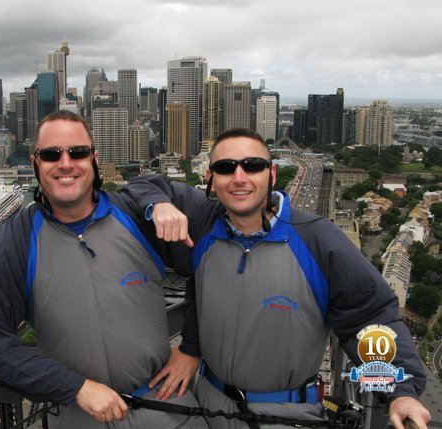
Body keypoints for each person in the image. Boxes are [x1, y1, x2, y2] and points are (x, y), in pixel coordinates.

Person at [123, 128, 431, 428]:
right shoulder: (204, 222)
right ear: (211, 179)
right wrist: (160, 205)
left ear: (271, 175)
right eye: (225, 168)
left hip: (286, 414)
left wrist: (400, 391)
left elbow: (370, 315)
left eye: (252, 166)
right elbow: (145, 183)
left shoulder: (317, 239)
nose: (239, 177)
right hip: (210, 405)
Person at [0, 110, 208, 428]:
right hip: (80, 416)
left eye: (77, 152)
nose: (66, 163)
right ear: (36, 162)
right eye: (52, 154)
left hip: (167, 407)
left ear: (93, 158)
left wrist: (191, 347)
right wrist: (74, 387)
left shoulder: (135, 215)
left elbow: (220, 252)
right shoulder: (13, 244)